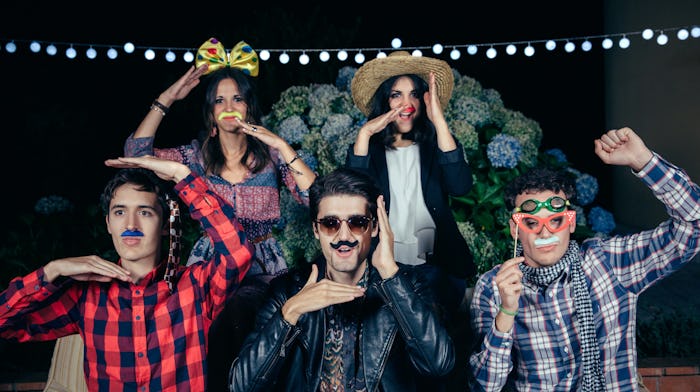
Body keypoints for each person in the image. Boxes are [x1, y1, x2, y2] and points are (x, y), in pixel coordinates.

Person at [123, 38, 316, 390]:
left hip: (263, 268)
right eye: (219, 100)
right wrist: (168, 98)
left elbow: (315, 198)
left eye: (237, 98)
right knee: (208, 333)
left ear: (249, 107)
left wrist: (283, 146)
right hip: (211, 266)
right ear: (211, 112)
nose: (229, 106)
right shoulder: (194, 158)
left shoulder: (271, 158)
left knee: (261, 329)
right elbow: (137, 151)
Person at [469, 127, 700, 391]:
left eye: (555, 221)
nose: (545, 232)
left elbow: (695, 225)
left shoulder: (609, 262)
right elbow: (484, 386)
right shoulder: (493, 287)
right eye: (532, 223)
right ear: (515, 228)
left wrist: (643, 160)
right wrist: (507, 312)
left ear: (570, 223)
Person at [0, 155, 253, 391]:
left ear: (165, 225)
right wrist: (53, 270)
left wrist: (181, 174)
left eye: (144, 212)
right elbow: (4, 323)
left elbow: (238, 251)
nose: (131, 225)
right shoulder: (85, 296)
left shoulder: (195, 286)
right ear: (108, 223)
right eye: (120, 212)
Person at [229, 167, 455, 391]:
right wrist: (289, 314)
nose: (344, 236)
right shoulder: (288, 291)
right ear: (316, 230)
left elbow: (439, 366)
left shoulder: (407, 285)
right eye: (330, 224)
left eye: (357, 223)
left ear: (375, 227)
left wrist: (390, 276)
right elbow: (242, 386)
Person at [346, 50, 476, 389]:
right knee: (394, 359)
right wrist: (363, 136)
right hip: (387, 267)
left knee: (438, 358)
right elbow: (351, 198)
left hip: (437, 267)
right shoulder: (371, 151)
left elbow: (461, 186)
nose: (407, 102)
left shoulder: (436, 145)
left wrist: (439, 120)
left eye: (415, 94)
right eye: (396, 94)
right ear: (384, 101)